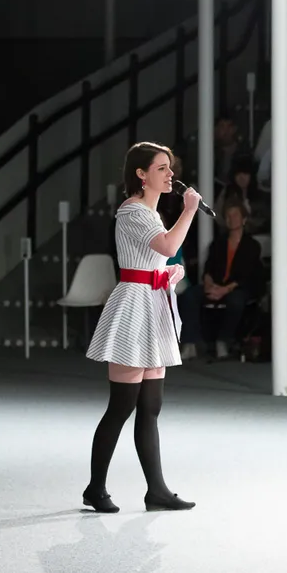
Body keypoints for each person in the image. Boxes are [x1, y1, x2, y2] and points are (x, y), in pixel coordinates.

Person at [82, 142, 199, 515]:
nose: (170, 174)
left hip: (153, 305)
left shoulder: (151, 213)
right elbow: (167, 244)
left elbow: (156, 257)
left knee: (150, 405)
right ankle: (95, 488)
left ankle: (157, 490)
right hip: (133, 307)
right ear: (141, 174)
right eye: (162, 168)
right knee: (122, 405)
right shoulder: (133, 210)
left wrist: (167, 272)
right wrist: (189, 210)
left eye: (170, 167)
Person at [178, 201, 263, 361]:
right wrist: (208, 283)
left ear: (244, 219)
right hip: (216, 285)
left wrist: (225, 290)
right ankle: (190, 343)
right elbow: (208, 267)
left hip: (237, 287)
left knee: (236, 301)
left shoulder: (252, 245)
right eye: (228, 216)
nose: (231, 219)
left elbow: (247, 275)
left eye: (235, 215)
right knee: (189, 295)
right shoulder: (218, 243)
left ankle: (223, 340)